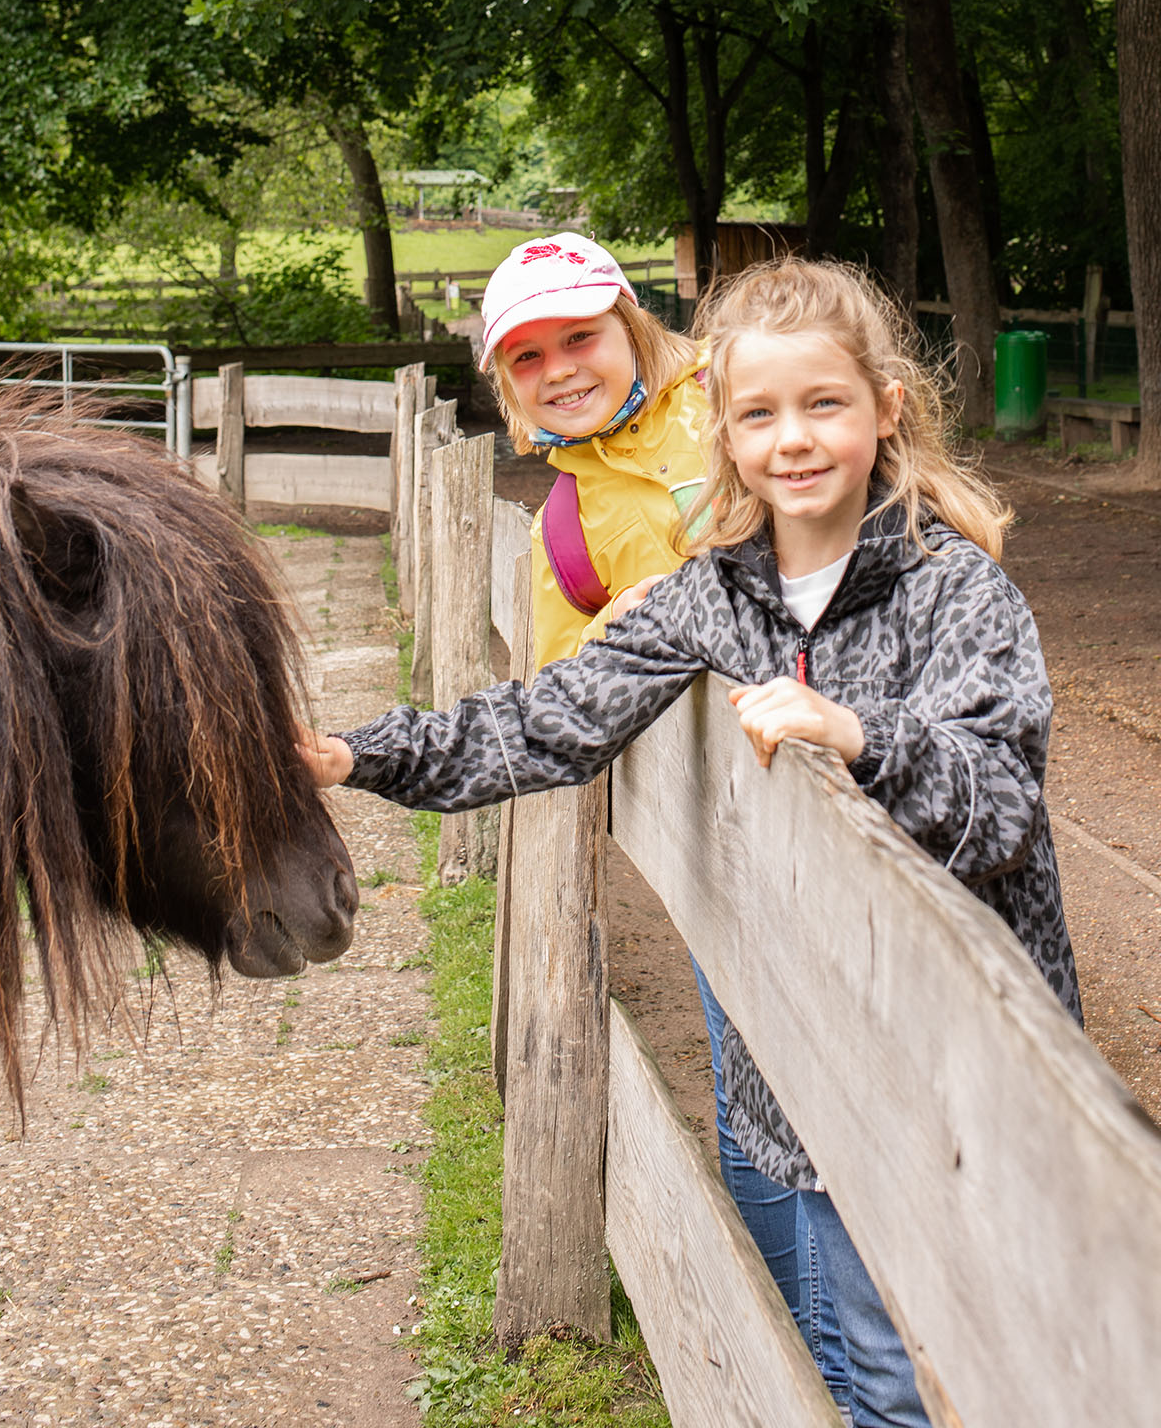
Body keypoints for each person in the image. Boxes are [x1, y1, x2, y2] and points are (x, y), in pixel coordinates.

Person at [305, 256, 1081, 1428]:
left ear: (887, 411)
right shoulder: (710, 599)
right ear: (721, 437)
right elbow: (545, 719)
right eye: (758, 415)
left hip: (955, 1073)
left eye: (823, 405)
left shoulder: (954, 594)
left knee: (998, 1348)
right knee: (865, 1367)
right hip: (793, 1055)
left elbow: (998, 808)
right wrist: (357, 755)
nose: (793, 441)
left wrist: (857, 736)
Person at [478, 231, 850, 1408]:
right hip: (730, 850)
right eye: (527, 355)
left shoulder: (743, 388)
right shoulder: (565, 529)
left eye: (578, 335)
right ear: (505, 382)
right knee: (757, 1118)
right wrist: (621, 624)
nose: (560, 368)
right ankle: (814, 1371)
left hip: (861, 789)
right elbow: (553, 702)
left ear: (631, 320)